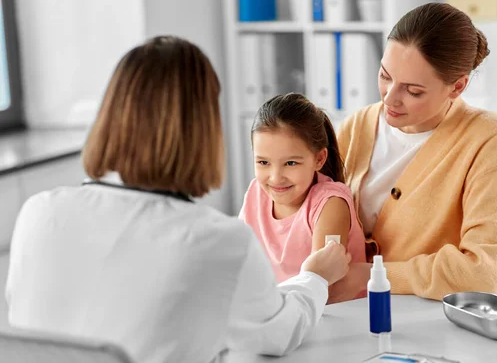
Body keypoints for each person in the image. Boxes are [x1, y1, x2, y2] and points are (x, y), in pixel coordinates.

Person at [5, 36, 351, 363]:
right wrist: (315, 278)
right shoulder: (216, 241)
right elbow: (278, 334)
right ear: (203, 129)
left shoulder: (39, 212)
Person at [329, 2, 497, 303]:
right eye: (385, 76)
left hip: (440, 323)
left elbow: (487, 272)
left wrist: (371, 274)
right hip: (355, 314)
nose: (390, 99)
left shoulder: (490, 139)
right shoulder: (357, 127)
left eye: (413, 91)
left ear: (457, 87)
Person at [239, 93, 366, 284]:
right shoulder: (256, 192)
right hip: (282, 306)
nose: (275, 178)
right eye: (263, 162)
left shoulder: (330, 204)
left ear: (319, 159)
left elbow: (323, 284)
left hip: (330, 310)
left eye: (290, 163)